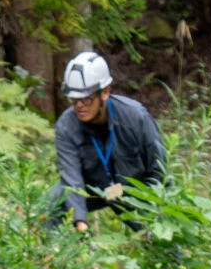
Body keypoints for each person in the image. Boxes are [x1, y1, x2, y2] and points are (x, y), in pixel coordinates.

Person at [53, 51, 166, 231]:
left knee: (158, 235)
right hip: (98, 190)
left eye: (86, 98)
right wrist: (79, 224)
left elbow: (158, 172)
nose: (79, 105)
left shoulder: (136, 118)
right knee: (53, 203)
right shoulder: (66, 127)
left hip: (135, 189)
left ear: (105, 92)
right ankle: (59, 255)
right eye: (74, 99)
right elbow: (72, 182)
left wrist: (154, 216)